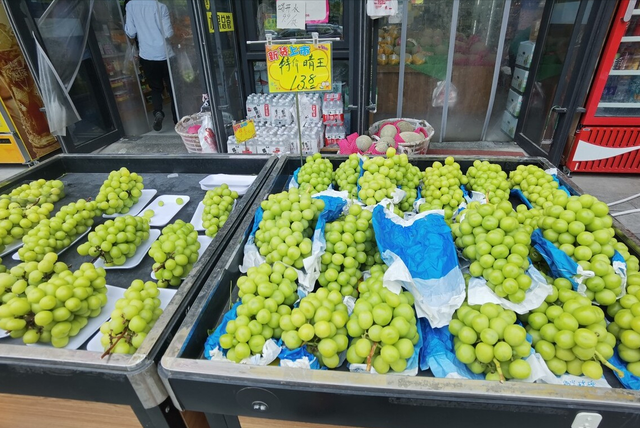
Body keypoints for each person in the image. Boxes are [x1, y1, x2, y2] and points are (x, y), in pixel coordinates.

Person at [125, 0, 177, 131]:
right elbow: (168, 33)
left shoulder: (130, 5)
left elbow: (130, 32)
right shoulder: (161, 7)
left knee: (155, 88)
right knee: (173, 89)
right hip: (165, 54)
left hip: (147, 55)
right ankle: (177, 119)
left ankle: (158, 112)